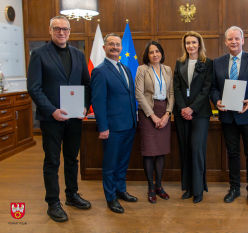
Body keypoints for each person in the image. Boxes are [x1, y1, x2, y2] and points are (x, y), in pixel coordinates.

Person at [27, 16, 91, 222]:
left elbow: (86, 84)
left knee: (72, 159)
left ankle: (72, 195)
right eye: (57, 29)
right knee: (52, 161)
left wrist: (84, 106)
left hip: (74, 118)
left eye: (65, 29)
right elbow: (34, 88)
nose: (61, 32)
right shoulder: (38, 54)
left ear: (70, 31)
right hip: (52, 119)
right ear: (50, 30)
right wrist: (52, 110)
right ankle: (53, 202)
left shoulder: (78, 54)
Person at [210, 26, 248, 208]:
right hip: (228, 117)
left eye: (237, 38)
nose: (233, 42)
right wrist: (217, 100)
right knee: (233, 155)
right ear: (226, 42)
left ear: (243, 40)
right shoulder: (217, 62)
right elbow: (213, 87)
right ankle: (234, 188)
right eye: (230, 39)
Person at [90, 33, 138, 214]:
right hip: (112, 127)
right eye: (111, 44)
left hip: (129, 125)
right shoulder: (100, 71)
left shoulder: (125, 69)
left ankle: (120, 190)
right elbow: (98, 101)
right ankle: (111, 198)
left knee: (123, 162)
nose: (115, 47)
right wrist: (103, 127)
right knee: (110, 165)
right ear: (104, 48)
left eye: (118, 45)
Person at [173, 31, 213, 204]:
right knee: (185, 150)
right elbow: (176, 88)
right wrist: (183, 108)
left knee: (197, 150)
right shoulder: (179, 63)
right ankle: (188, 188)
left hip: (200, 114)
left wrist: (192, 108)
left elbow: (207, 89)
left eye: (194, 42)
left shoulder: (208, 63)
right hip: (182, 114)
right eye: (188, 43)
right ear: (185, 45)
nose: (191, 46)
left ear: (199, 44)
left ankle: (198, 190)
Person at [135, 41, 174, 203]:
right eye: (151, 52)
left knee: (161, 150)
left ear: (161, 53)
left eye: (157, 51)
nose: (155, 54)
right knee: (149, 151)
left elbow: (171, 93)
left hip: (164, 110)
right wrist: (153, 116)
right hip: (147, 113)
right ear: (147, 55)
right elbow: (139, 94)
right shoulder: (142, 69)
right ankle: (150, 187)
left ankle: (159, 185)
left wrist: (167, 114)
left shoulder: (167, 69)